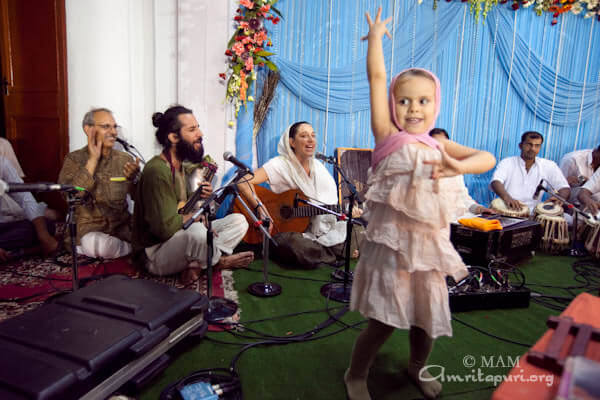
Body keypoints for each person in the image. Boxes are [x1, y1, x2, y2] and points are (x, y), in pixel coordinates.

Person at [345, 9, 496, 400]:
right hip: (393, 251)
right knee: (382, 322)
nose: (413, 108)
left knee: (425, 321)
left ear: (436, 104)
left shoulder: (439, 145)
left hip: (428, 250)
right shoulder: (387, 135)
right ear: (394, 105)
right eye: (405, 100)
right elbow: (377, 78)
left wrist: (457, 165)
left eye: (423, 101)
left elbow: (487, 158)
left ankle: (417, 366)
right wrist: (376, 37)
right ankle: (356, 374)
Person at [132, 105, 253, 283]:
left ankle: (198, 264)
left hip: (179, 239)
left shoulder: (179, 166)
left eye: (198, 127)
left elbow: (184, 209)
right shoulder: (157, 171)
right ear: (173, 137)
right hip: (153, 254)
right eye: (192, 129)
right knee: (199, 233)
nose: (200, 134)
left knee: (238, 222)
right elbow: (163, 229)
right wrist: (195, 219)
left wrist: (202, 200)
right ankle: (218, 262)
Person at [236, 121, 362, 269]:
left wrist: (349, 213)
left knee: (359, 230)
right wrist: (259, 208)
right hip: (290, 233)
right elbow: (242, 181)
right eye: (304, 136)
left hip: (320, 230)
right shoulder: (280, 164)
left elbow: (328, 206)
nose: (310, 140)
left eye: (313, 136)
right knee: (294, 245)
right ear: (292, 142)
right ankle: (335, 252)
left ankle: (327, 252)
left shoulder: (319, 167)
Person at [58, 108, 140, 259]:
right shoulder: (74, 159)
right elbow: (71, 197)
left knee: (158, 228)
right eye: (105, 126)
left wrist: (134, 179)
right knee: (96, 244)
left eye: (115, 127)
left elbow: (139, 198)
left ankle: (127, 247)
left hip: (121, 227)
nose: (113, 132)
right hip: (89, 231)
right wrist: (93, 160)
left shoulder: (125, 159)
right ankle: (132, 248)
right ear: (88, 130)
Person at [490, 131, 570, 213]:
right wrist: (507, 198)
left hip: (534, 212)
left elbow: (564, 187)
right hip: (507, 208)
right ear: (521, 146)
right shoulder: (507, 162)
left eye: (537, 146)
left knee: (569, 220)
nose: (532, 149)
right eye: (529, 144)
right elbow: (496, 182)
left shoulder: (549, 165)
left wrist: (560, 197)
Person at [0, 156, 58, 261]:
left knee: (47, 226)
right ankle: (23, 251)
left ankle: (13, 252)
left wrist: (44, 236)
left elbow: (24, 197)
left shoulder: (2, 162)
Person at [429, 128, 493, 216]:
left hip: (457, 220)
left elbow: (464, 198)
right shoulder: (421, 169)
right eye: (435, 144)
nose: (440, 147)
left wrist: (480, 209)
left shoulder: (456, 170)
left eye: (445, 144)